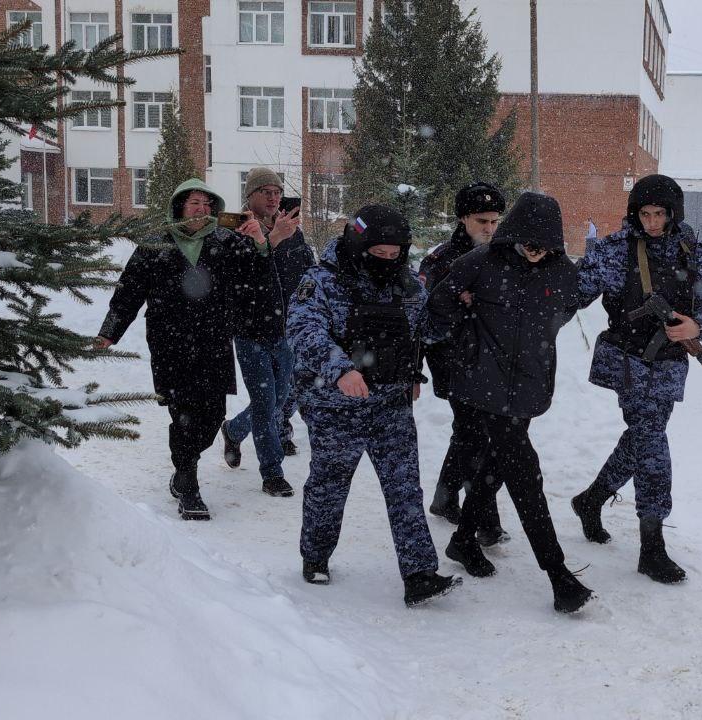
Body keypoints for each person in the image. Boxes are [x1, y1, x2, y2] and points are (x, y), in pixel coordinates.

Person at [426, 191, 595, 614]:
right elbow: (438, 306)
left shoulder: (562, 272)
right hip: (484, 388)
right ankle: (559, 576)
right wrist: (469, 326)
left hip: (529, 389)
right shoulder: (480, 263)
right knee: (525, 476)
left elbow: (568, 308)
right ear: (514, 235)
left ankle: (464, 541)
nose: (536, 253)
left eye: (544, 246)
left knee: (496, 466)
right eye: (528, 244)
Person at [286, 204, 460, 607]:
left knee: (404, 488)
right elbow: (301, 328)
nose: (386, 261)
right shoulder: (322, 282)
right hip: (334, 405)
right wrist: (341, 370)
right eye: (378, 253)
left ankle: (419, 574)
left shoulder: (408, 286)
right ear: (359, 245)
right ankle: (316, 556)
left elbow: (422, 332)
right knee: (330, 487)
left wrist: (452, 307)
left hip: (390, 406)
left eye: (393, 254)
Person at [570, 174, 702, 584]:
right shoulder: (616, 250)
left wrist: (697, 326)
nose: (652, 222)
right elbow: (575, 291)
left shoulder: (694, 252)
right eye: (645, 214)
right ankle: (652, 545)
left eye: (659, 214)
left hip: (671, 362)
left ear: (674, 214)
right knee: (652, 443)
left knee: (641, 438)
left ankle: (591, 499)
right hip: (629, 361)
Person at [96, 179, 272, 520]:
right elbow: (128, 292)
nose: (201, 209)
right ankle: (189, 483)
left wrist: (260, 243)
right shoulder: (154, 245)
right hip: (170, 343)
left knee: (212, 415)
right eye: (194, 202)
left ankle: (184, 466)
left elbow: (257, 281)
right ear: (179, 207)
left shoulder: (226, 241)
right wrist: (109, 333)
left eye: (207, 204)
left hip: (214, 342)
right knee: (183, 413)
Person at [418, 181, 510, 546]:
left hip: (490, 362)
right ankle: (485, 520)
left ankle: (444, 498)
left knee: (468, 434)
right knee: (476, 436)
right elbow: (423, 320)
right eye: (481, 221)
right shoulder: (441, 261)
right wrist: (459, 303)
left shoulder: (502, 257)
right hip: (454, 362)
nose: (489, 228)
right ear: (462, 219)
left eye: (494, 221)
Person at [219, 167, 314, 496]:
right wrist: (273, 239)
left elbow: (306, 270)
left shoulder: (291, 226)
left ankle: (233, 429)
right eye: (265, 192)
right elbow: (242, 274)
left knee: (279, 399)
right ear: (251, 196)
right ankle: (272, 472)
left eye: (277, 191)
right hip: (250, 330)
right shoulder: (236, 229)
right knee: (265, 402)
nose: (274, 198)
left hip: (285, 330)